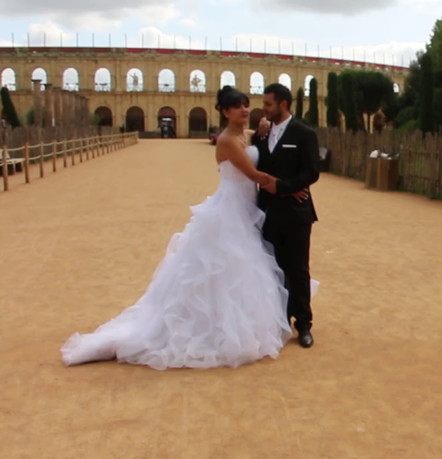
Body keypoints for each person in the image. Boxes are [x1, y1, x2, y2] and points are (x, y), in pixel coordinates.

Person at [60, 86, 301, 369]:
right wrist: (290, 188)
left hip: (247, 208)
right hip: (231, 208)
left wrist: (265, 123)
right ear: (225, 111)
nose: (245, 110)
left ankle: (233, 322)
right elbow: (254, 174)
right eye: (238, 106)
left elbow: (259, 140)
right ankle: (213, 328)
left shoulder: (243, 136)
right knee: (224, 267)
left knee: (240, 268)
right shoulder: (226, 141)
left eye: (247, 105)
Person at [252, 83, 321, 348]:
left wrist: (283, 187)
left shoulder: (304, 134)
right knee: (272, 268)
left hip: (296, 213)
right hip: (267, 212)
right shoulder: (262, 134)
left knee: (298, 269)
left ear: (283, 104)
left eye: (268, 104)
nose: (264, 108)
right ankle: (278, 320)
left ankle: (303, 324)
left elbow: (312, 171)